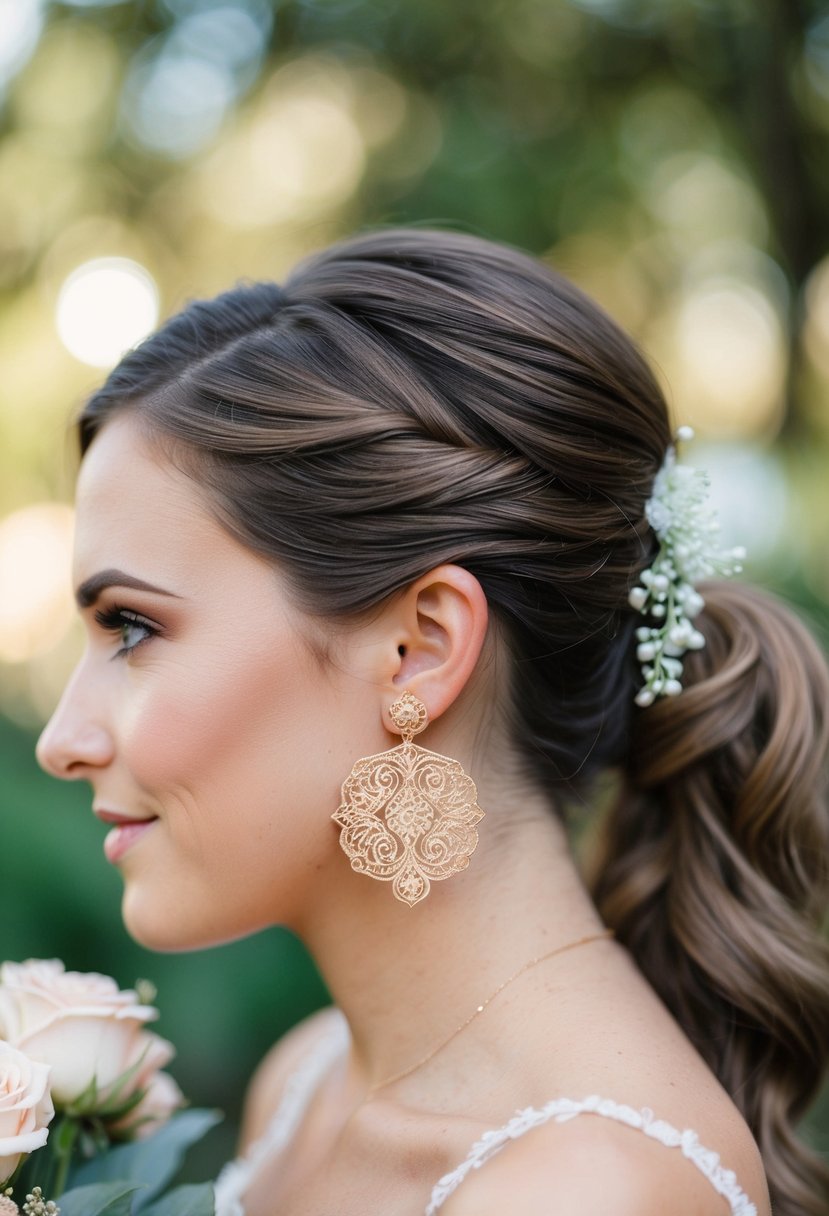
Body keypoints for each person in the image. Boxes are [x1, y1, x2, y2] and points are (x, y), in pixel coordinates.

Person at [35, 228, 829, 1216]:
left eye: (134, 627)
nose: (61, 739)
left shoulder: (589, 1191)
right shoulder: (307, 1084)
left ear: (418, 646)